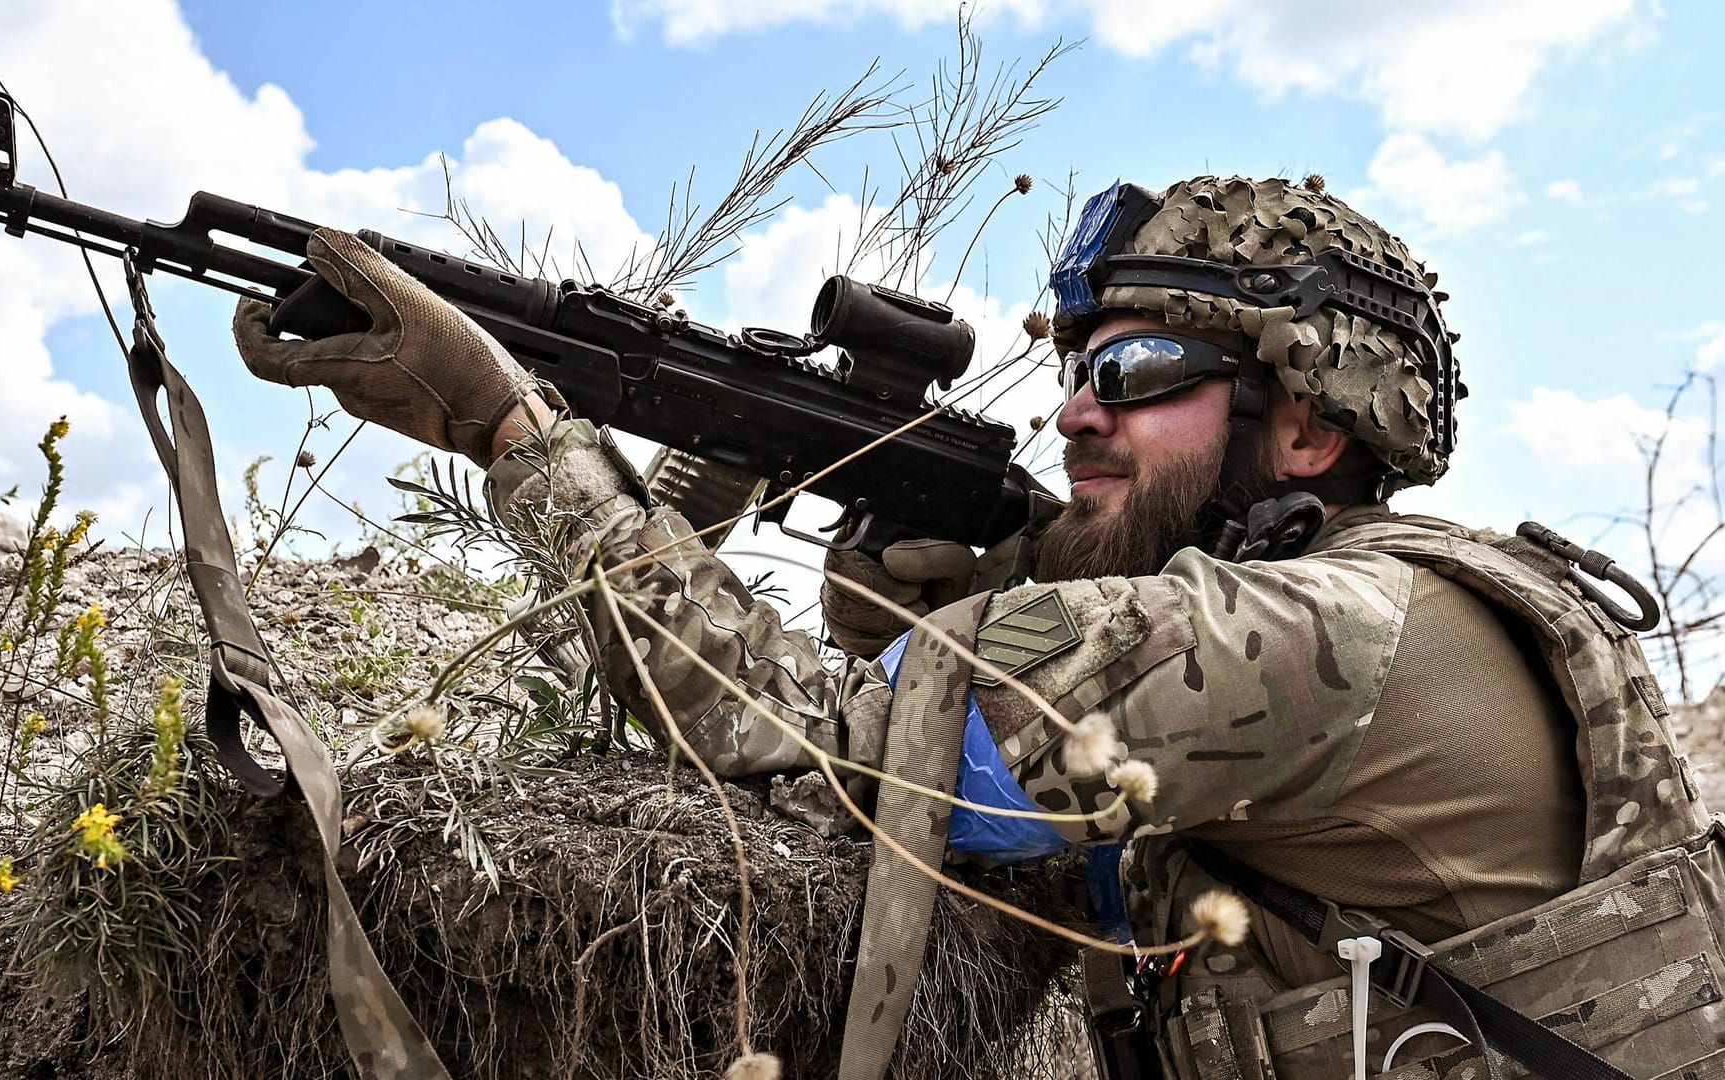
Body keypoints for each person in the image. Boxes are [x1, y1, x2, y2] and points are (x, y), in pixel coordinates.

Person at [232, 176, 1724, 1079]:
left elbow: (797, 748)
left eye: (1139, 368)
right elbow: (981, 828)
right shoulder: (1387, 595)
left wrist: (509, 429)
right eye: (1075, 363)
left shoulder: (1323, 630)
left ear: (1313, 433)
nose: (1078, 408)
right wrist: (935, 593)